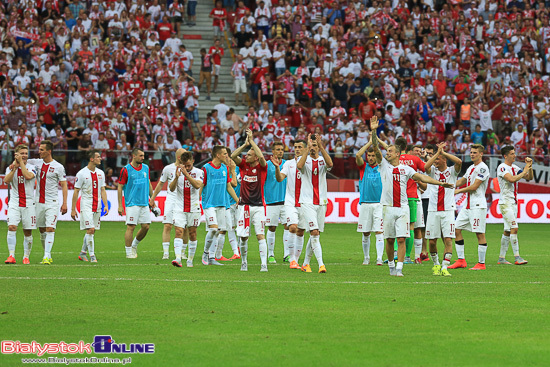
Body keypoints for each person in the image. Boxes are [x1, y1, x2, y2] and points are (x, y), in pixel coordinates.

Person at [370, 116, 454, 277]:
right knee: (389, 240)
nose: (387, 153)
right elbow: (375, 146)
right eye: (386, 151)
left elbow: (423, 177)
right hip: (387, 207)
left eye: (390, 151)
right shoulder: (384, 166)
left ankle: (400, 268)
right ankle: (392, 267)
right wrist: (374, 131)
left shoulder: (405, 169)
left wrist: (440, 183)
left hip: (403, 208)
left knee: (401, 238)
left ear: (398, 154)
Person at [231, 129, 268, 272]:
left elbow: (262, 158)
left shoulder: (262, 167)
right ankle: (244, 262)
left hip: (258, 206)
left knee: (260, 235)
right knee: (244, 237)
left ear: (256, 158)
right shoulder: (243, 165)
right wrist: (245, 144)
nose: (246, 156)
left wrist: (252, 140)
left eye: (249, 155)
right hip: (243, 207)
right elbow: (234, 155)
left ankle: (263, 264)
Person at [296, 133, 334, 273]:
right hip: (307, 201)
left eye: (315, 146)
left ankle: (306, 264)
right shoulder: (303, 159)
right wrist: (307, 148)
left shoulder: (323, 160)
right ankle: (321, 265)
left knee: (315, 235)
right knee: (314, 231)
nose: (313, 148)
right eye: (311, 145)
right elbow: (299, 166)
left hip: (321, 202)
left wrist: (321, 147)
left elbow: (331, 164)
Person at [423, 142, 462, 277]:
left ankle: (445, 267)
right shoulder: (432, 171)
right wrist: (436, 154)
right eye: (435, 159)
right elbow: (425, 166)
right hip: (433, 210)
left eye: (438, 159)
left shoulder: (452, 171)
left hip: (448, 210)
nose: (435, 161)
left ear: (444, 160)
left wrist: (442, 152)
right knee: (432, 241)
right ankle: (436, 264)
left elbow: (459, 161)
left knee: (448, 239)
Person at [449, 144, 491, 271]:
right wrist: (448, 185)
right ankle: (461, 260)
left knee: (479, 233)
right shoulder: (471, 167)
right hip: (468, 206)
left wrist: (457, 191)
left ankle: (481, 263)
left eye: (475, 152)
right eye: (471, 152)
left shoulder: (483, 168)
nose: (472, 154)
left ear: (481, 154)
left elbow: (474, 186)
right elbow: (462, 180)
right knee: (456, 229)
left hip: (478, 205)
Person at [27, 140, 68, 264]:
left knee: (50, 228)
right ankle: (47, 255)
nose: (39, 152)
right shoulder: (36, 163)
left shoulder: (59, 167)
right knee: (42, 230)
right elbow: (23, 161)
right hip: (38, 202)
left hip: (52, 202)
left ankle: (46, 256)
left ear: (49, 151)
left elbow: (64, 185)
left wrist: (65, 203)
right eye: (39, 149)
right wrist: (14, 164)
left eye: (41, 150)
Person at [201, 145, 239, 266]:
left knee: (218, 231)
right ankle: (205, 253)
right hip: (209, 204)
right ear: (218, 155)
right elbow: (201, 185)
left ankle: (212, 258)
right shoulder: (206, 168)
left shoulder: (224, 168)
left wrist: (237, 200)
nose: (227, 156)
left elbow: (229, 186)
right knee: (213, 229)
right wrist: (197, 201)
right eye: (224, 154)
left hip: (222, 204)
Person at [273, 139, 307, 270]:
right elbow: (280, 178)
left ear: (305, 149)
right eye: (295, 147)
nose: (297, 149)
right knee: (292, 227)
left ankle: (296, 260)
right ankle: (292, 259)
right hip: (290, 202)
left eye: (300, 147)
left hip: (304, 202)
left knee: (301, 232)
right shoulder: (288, 163)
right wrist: (277, 167)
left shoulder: (308, 163)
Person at [496, 147, 533, 265]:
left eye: (514, 153)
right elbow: (511, 179)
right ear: (505, 156)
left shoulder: (515, 167)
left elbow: (529, 178)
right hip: (505, 202)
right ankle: (517, 257)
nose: (514, 155)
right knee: (514, 228)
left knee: (507, 230)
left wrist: (529, 167)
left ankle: (501, 258)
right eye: (512, 154)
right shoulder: (502, 167)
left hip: (513, 202)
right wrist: (525, 170)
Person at [118, 148, 157, 259]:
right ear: (134, 156)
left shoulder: (146, 168)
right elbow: (120, 187)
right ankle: (128, 252)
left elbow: (148, 183)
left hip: (144, 203)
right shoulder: (126, 170)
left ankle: (134, 245)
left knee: (146, 227)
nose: (143, 158)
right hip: (132, 203)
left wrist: (152, 198)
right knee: (131, 227)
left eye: (143, 155)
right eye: (140, 155)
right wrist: (120, 205)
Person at [71, 150, 108, 263]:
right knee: (90, 229)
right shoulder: (81, 174)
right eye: (98, 157)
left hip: (97, 206)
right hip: (86, 205)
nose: (100, 158)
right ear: (92, 159)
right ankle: (92, 256)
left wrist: (105, 205)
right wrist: (73, 209)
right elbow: (76, 191)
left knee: (92, 231)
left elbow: (102, 189)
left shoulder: (101, 173)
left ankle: (82, 253)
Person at [150, 148, 186, 260]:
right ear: (179, 157)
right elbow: (160, 184)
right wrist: (153, 198)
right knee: (167, 225)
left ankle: (183, 252)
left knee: (183, 227)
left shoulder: (188, 169)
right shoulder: (168, 169)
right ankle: (166, 253)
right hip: (171, 200)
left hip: (184, 200)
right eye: (185, 156)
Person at [169, 151, 204, 268]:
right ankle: (178, 258)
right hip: (179, 207)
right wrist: (176, 178)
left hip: (194, 208)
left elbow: (197, 185)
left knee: (192, 234)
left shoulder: (199, 172)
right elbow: (171, 189)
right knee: (179, 231)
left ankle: (190, 260)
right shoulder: (177, 173)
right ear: (181, 163)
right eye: (185, 165)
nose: (187, 167)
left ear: (193, 161)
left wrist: (186, 174)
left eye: (189, 165)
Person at [4, 145, 37, 265]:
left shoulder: (32, 167)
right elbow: (6, 180)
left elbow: (28, 176)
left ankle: (26, 256)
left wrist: (20, 164)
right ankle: (11, 255)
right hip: (14, 202)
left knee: (27, 231)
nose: (24, 155)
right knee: (12, 227)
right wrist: (14, 169)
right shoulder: (11, 168)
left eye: (26, 153)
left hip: (28, 202)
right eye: (21, 153)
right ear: (16, 154)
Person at [355, 133, 384, 266]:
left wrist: (376, 143)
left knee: (379, 231)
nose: (371, 158)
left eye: (373, 155)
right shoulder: (363, 167)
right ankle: (366, 257)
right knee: (366, 232)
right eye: (369, 155)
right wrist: (369, 142)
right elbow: (357, 155)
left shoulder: (382, 167)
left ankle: (379, 258)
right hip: (365, 204)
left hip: (379, 204)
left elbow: (386, 153)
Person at [398, 142, 426, 264]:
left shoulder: (394, 159)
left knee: (412, 228)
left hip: (404, 197)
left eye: (420, 151)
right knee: (412, 227)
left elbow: (424, 186)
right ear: (409, 150)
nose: (418, 153)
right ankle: (408, 256)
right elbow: (427, 174)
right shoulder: (414, 162)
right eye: (416, 151)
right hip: (413, 197)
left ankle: (413, 256)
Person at [264, 141, 288, 263]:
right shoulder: (267, 165)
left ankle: (287, 254)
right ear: (272, 151)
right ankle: (271, 254)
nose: (280, 152)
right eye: (277, 149)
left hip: (286, 202)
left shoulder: (287, 165)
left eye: (281, 150)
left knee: (288, 227)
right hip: (271, 201)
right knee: (272, 227)